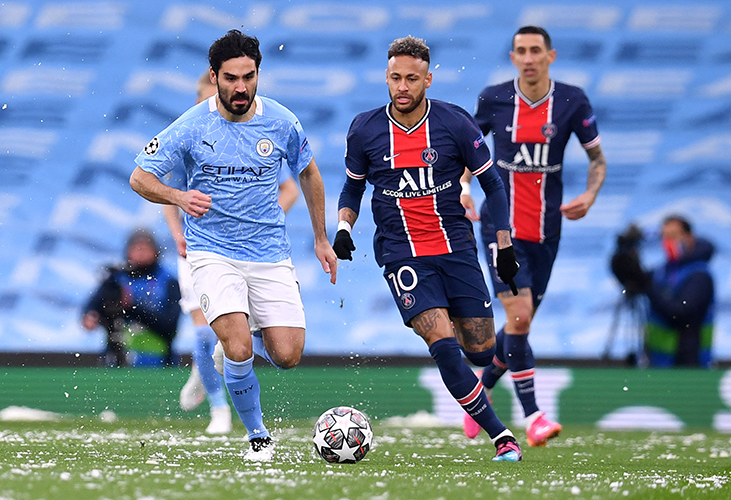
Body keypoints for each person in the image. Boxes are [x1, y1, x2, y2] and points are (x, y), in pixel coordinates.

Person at [129, 29, 337, 461]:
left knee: (287, 354)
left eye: (249, 76)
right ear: (214, 76)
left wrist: (321, 238)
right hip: (212, 252)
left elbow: (310, 175)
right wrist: (179, 197)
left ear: (258, 73)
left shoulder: (281, 121)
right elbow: (140, 177)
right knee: (241, 347)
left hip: (270, 254)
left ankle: (229, 344)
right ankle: (257, 435)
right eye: (231, 78)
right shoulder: (191, 125)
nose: (240, 87)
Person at [333, 35, 523, 462]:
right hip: (401, 254)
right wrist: (344, 226)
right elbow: (352, 186)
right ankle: (503, 437)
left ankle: (467, 374)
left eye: (412, 79)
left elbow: (492, 182)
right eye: (396, 77)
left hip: (455, 248)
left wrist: (504, 242)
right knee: (441, 341)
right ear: (386, 77)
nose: (403, 86)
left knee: (481, 350)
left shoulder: (455, 124)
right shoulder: (365, 129)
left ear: (428, 80)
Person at [460, 26, 607, 446]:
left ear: (550, 56)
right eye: (521, 51)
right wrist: (466, 189)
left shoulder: (572, 100)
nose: (528, 57)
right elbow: (468, 152)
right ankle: (534, 417)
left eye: (535, 51)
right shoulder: (493, 98)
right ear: (513, 58)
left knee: (517, 325)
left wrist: (591, 195)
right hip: (500, 227)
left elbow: (597, 157)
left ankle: (479, 392)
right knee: (519, 316)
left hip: (547, 230)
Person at [167, 70, 299, 435]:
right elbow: (165, 189)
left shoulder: (252, 132)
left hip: (253, 249)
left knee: (242, 340)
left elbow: (290, 189)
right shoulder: (188, 132)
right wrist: (177, 233)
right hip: (199, 247)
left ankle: (219, 365)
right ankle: (218, 409)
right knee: (203, 334)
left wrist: (259, 219)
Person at [611, 215, 715, 368]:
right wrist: (623, 252)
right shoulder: (662, 271)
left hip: (689, 362)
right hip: (658, 361)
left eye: (673, 236)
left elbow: (679, 313)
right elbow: (631, 279)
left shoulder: (699, 275)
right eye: (664, 237)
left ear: (689, 237)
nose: (668, 242)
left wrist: (647, 286)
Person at [82, 228, 181, 367]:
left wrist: (132, 306)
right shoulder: (115, 279)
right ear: (128, 251)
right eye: (136, 248)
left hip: (159, 361)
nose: (140, 253)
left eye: (145, 248)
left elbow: (170, 325)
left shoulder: (168, 281)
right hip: (117, 358)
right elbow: (93, 307)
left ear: (156, 252)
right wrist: (90, 315)